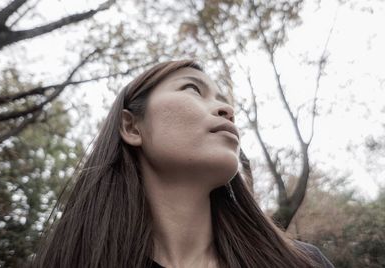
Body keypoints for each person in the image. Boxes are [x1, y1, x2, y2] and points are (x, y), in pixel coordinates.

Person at [32, 60, 334, 268]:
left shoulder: (301, 262)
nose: (227, 109)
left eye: (224, 99)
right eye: (193, 89)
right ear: (132, 128)